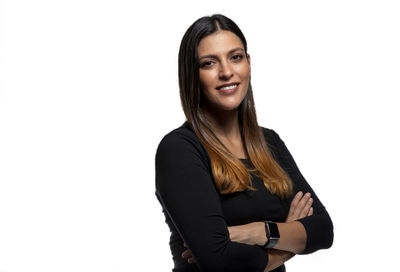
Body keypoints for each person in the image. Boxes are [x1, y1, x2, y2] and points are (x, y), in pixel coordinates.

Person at [155, 14, 333, 272]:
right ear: (192, 74)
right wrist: (288, 242)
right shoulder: (179, 150)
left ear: (248, 63)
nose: (227, 72)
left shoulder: (269, 142)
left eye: (235, 57)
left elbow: (323, 230)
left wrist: (253, 232)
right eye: (209, 63)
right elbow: (220, 263)